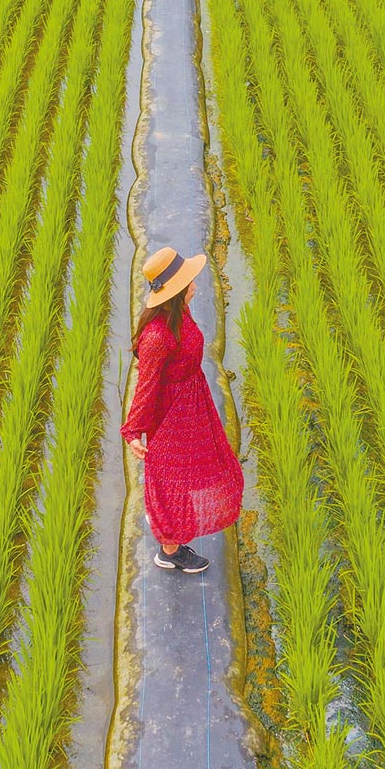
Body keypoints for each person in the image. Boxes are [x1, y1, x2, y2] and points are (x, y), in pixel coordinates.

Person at [121, 246, 244, 573]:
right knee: (171, 477)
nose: (195, 286)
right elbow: (146, 386)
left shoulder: (178, 314)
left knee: (195, 469)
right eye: (189, 282)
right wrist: (132, 432)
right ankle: (170, 549)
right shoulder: (157, 335)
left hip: (192, 401)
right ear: (175, 291)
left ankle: (170, 526)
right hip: (171, 414)